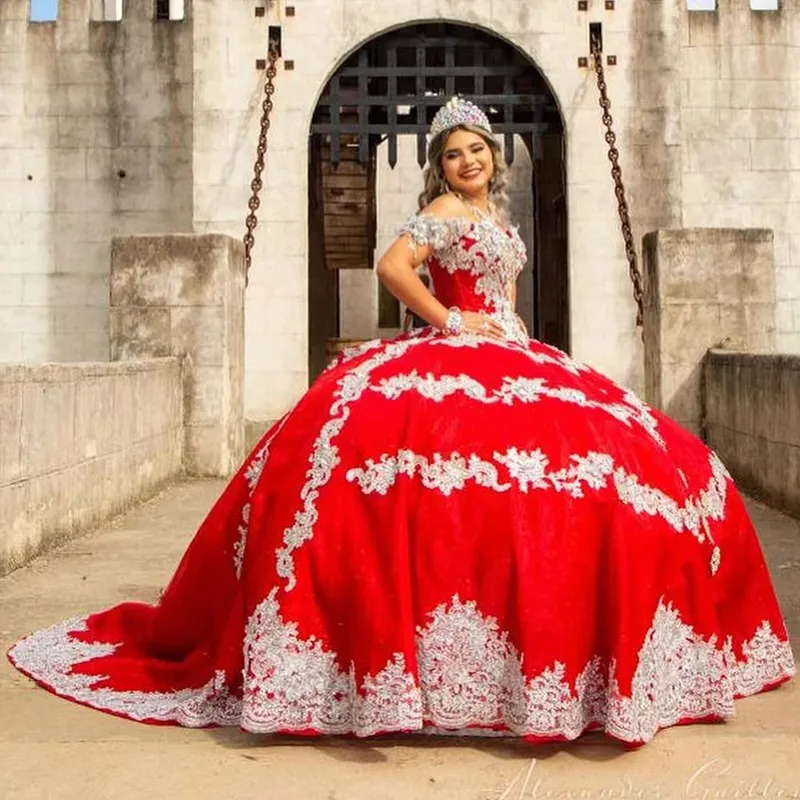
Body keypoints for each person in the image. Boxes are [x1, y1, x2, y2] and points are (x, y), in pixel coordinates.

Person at [8, 97, 795, 745]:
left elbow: (507, 301)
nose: (468, 163)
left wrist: (505, 329)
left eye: (476, 151)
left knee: (627, 464)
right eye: (453, 154)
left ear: (495, 154)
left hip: (512, 351)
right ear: (441, 167)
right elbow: (392, 268)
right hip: (453, 345)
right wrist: (451, 321)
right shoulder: (443, 212)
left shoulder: (503, 219)